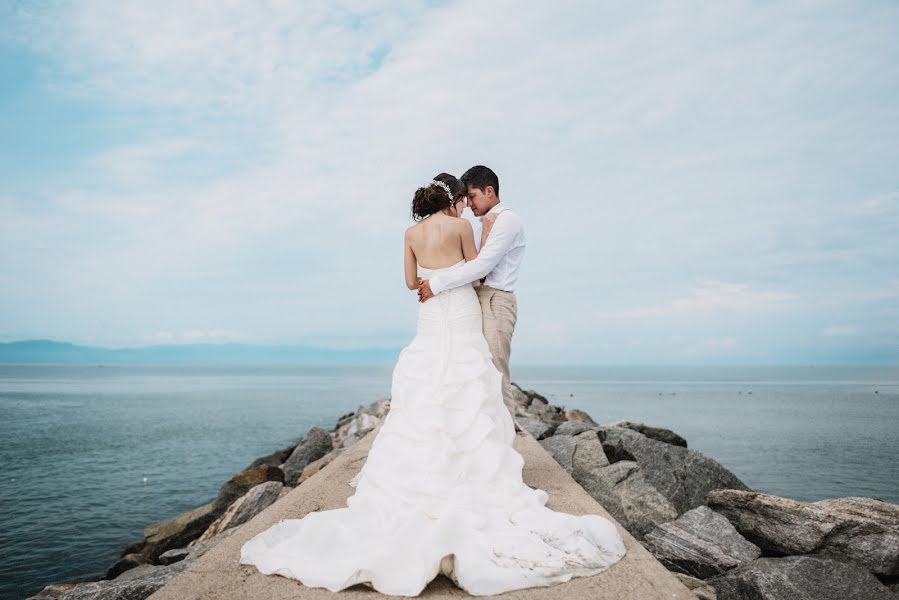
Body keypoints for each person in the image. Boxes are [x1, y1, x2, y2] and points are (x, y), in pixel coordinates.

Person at [239, 173, 626, 596]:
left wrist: (431, 277)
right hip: (459, 310)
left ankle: (423, 473)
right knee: (469, 384)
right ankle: (478, 468)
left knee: (427, 390)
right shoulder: (462, 227)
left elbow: (410, 283)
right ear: (452, 199)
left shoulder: (410, 233)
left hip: (430, 313)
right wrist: (452, 271)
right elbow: (476, 273)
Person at [418, 166, 523, 419]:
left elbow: (482, 267)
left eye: (472, 196)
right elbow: (468, 263)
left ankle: (506, 437)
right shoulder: (477, 224)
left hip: (495, 299)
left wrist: (436, 284)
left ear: (489, 191)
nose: (468, 203)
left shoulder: (506, 219)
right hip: (473, 299)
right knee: (475, 368)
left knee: (495, 370)